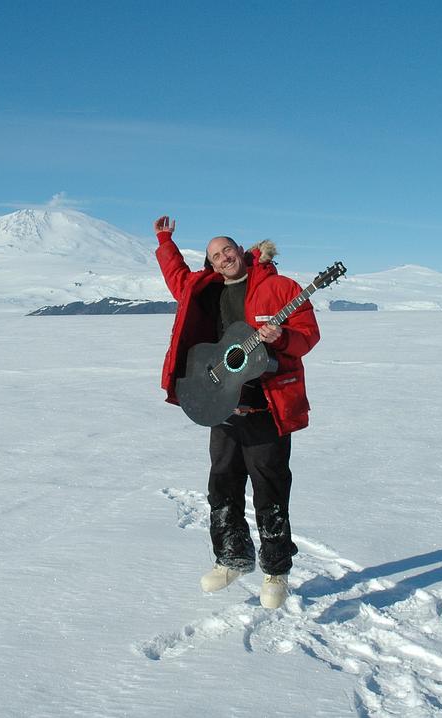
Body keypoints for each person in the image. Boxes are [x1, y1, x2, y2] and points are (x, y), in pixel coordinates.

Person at [153, 215, 320, 609]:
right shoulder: (206, 288)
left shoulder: (279, 287)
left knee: (270, 489)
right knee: (222, 486)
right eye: (215, 256)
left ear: (240, 250)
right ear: (210, 264)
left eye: (227, 249)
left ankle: (276, 572)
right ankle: (232, 557)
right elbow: (178, 278)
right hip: (223, 404)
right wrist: (165, 242)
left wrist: (285, 337)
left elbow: (309, 333)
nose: (223, 258)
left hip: (268, 406)